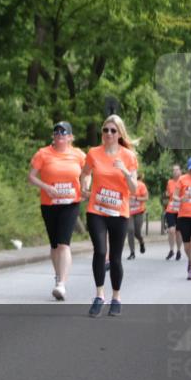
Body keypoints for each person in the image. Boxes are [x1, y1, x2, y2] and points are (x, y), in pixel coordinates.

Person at [80, 114, 138, 317]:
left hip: (119, 212)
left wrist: (124, 171)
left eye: (113, 131)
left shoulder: (129, 157)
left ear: (119, 133)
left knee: (115, 257)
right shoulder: (94, 153)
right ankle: (99, 295)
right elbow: (85, 173)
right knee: (99, 250)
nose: (108, 134)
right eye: (105, 130)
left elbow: (134, 188)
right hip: (97, 210)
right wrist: (85, 185)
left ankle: (116, 297)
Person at [28, 121, 86, 301]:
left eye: (63, 133)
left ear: (70, 137)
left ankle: (61, 284)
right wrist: (45, 187)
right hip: (49, 204)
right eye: (56, 133)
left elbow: (87, 172)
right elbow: (31, 177)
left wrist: (85, 187)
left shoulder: (78, 154)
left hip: (71, 203)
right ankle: (58, 275)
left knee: (64, 244)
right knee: (54, 245)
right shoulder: (43, 154)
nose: (59, 135)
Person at [126, 171, 149, 259]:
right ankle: (132, 253)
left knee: (137, 232)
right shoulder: (124, 184)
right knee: (130, 230)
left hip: (139, 211)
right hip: (128, 212)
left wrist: (136, 198)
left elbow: (146, 198)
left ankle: (141, 241)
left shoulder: (141, 185)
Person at [164, 164, 183, 260]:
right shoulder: (170, 182)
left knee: (178, 232)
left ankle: (179, 250)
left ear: (180, 171)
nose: (175, 172)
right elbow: (168, 193)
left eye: (177, 170)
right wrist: (167, 194)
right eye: (173, 170)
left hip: (180, 210)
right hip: (171, 209)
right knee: (171, 230)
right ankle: (171, 250)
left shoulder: (184, 181)